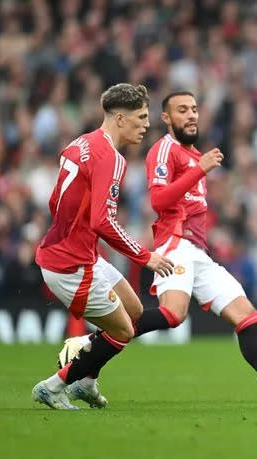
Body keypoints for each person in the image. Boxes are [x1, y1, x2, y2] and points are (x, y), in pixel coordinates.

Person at [60, 91, 257, 406]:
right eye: (182, 110)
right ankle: (87, 343)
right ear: (167, 118)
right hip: (175, 243)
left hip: (199, 251)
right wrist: (199, 170)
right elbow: (158, 201)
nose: (192, 115)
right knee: (173, 314)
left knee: (248, 317)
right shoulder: (164, 150)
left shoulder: (197, 156)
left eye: (195, 109)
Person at [32, 83, 175, 410]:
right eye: (141, 117)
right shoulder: (111, 158)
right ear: (120, 119)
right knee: (123, 331)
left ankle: (86, 382)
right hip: (71, 265)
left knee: (135, 311)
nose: (147, 124)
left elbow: (56, 200)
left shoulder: (81, 143)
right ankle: (56, 385)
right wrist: (145, 256)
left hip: (75, 252)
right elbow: (103, 221)